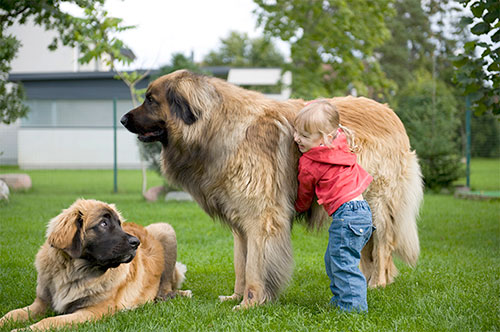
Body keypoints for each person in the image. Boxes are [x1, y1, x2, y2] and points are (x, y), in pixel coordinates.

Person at [293, 99, 374, 312]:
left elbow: (305, 192)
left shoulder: (309, 162)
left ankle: (353, 309)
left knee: (343, 264)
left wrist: (298, 208)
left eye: (304, 136)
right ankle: (341, 299)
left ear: (325, 138)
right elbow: (333, 125)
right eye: (296, 132)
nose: (297, 139)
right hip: (362, 213)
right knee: (334, 259)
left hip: (347, 216)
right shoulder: (340, 143)